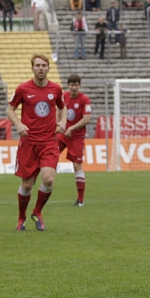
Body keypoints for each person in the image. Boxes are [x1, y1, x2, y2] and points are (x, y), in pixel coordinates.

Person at [7, 54, 66, 231]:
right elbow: (10, 109)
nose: (41, 68)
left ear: (48, 68)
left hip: (49, 142)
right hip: (28, 143)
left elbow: (62, 107)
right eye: (38, 65)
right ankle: (21, 217)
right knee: (26, 185)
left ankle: (37, 212)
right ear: (32, 68)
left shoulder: (56, 89)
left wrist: (63, 121)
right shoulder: (23, 89)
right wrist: (18, 124)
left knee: (48, 179)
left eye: (44, 65)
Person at [56, 73, 93, 207]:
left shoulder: (84, 99)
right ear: (68, 85)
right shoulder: (64, 96)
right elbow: (59, 111)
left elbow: (87, 118)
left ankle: (80, 200)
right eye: (72, 85)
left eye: (76, 85)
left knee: (77, 165)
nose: (74, 87)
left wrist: (71, 128)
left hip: (76, 136)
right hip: (62, 135)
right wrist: (59, 124)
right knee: (49, 156)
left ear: (79, 86)